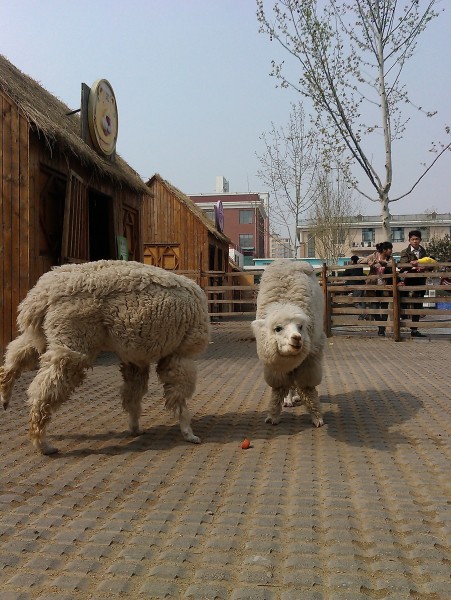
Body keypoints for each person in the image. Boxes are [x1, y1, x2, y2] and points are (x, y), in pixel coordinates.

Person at [358, 242, 393, 336]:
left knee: (385, 307)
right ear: (385, 250)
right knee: (374, 308)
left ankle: (382, 330)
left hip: (385, 285)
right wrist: (369, 262)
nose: (391, 251)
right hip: (373, 285)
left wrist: (384, 263)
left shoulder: (390, 258)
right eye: (390, 249)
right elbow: (359, 261)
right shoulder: (373, 256)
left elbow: (393, 265)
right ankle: (381, 326)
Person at [398, 230, 427, 338]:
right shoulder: (404, 252)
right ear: (409, 240)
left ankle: (414, 329)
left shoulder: (423, 251)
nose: (415, 241)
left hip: (420, 280)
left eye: (417, 239)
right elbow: (402, 265)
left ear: (420, 240)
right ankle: (398, 327)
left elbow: (427, 263)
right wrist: (412, 264)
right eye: (413, 239)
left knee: (418, 304)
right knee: (403, 302)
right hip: (407, 280)